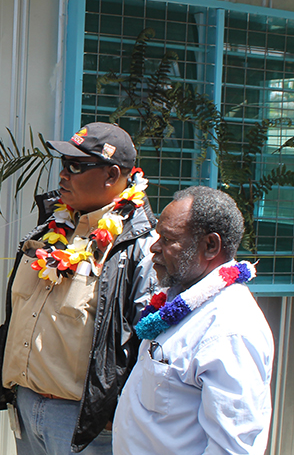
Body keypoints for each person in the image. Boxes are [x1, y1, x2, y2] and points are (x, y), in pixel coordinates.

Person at [0, 122, 158, 454]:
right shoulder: (51, 228)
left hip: (83, 422)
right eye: (62, 165)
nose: (63, 175)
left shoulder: (139, 248)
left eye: (76, 166)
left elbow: (146, 339)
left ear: (112, 175)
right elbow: (21, 308)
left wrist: (115, 407)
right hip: (26, 405)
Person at [112, 186, 274, 454]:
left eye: (167, 239)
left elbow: (232, 448)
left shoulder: (230, 328)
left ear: (210, 245)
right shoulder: (179, 300)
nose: (154, 247)